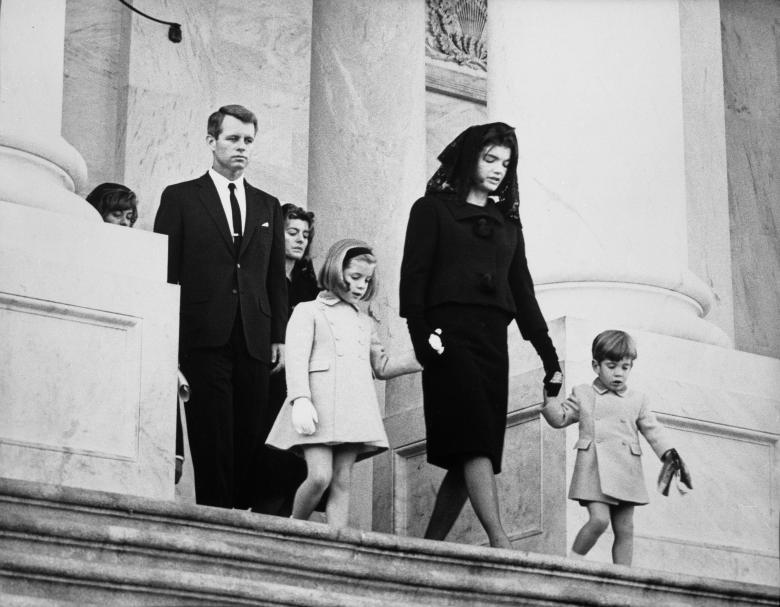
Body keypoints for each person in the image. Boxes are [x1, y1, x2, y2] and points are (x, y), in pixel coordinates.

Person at [399, 122, 562, 549]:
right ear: (469, 157)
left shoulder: (508, 225)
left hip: (492, 344)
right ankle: (500, 541)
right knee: (474, 443)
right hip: (448, 340)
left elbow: (523, 293)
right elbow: (413, 278)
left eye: (505, 164)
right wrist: (423, 339)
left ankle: (430, 546)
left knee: (472, 449)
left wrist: (549, 357)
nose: (497, 170)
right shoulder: (431, 209)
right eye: (490, 159)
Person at [153, 104, 287, 509]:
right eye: (233, 138)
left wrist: (278, 336)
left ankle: (241, 519)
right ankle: (215, 518)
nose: (241, 147)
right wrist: (168, 337)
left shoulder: (268, 204)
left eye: (248, 140)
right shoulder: (180, 197)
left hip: (254, 337)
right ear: (212, 141)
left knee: (249, 435)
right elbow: (165, 271)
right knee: (211, 435)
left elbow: (273, 276)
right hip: (202, 336)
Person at [266, 239, 421, 528]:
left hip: (355, 409)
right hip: (318, 406)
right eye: (355, 277)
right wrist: (300, 398)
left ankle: (336, 541)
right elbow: (297, 358)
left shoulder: (364, 321)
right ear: (337, 270)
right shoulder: (308, 310)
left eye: (367, 280)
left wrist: (423, 355)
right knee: (319, 476)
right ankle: (294, 528)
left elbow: (382, 366)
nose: (361, 286)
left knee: (342, 480)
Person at [540, 330, 689, 565]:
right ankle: (572, 564)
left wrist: (669, 454)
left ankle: (623, 576)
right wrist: (550, 398)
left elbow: (653, 430)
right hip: (594, 469)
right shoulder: (583, 393)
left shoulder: (638, 399)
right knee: (599, 520)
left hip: (626, 470)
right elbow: (560, 418)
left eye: (625, 367)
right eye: (611, 366)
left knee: (626, 528)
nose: (618, 373)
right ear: (596, 366)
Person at [87, 181, 187, 481]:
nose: (125, 223)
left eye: (130, 217)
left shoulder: (140, 255)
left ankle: (170, 457)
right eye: (117, 214)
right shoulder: (87, 249)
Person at [253, 204, 319, 515]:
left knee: (297, 460)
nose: (300, 239)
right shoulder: (261, 276)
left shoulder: (310, 284)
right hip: (270, 376)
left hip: (300, 380)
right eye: (292, 232)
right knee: (270, 455)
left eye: (305, 234)